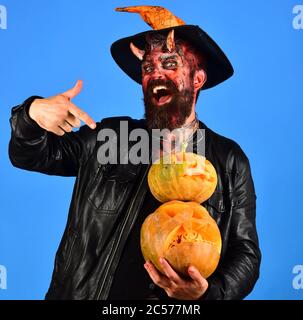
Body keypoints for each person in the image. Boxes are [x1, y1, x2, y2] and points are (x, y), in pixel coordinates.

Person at [8, 6, 261, 300]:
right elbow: (30, 155)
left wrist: (208, 294)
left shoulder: (228, 160)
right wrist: (31, 114)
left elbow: (246, 253)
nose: (156, 75)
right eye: (148, 68)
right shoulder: (108, 137)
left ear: (197, 79)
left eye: (169, 63)